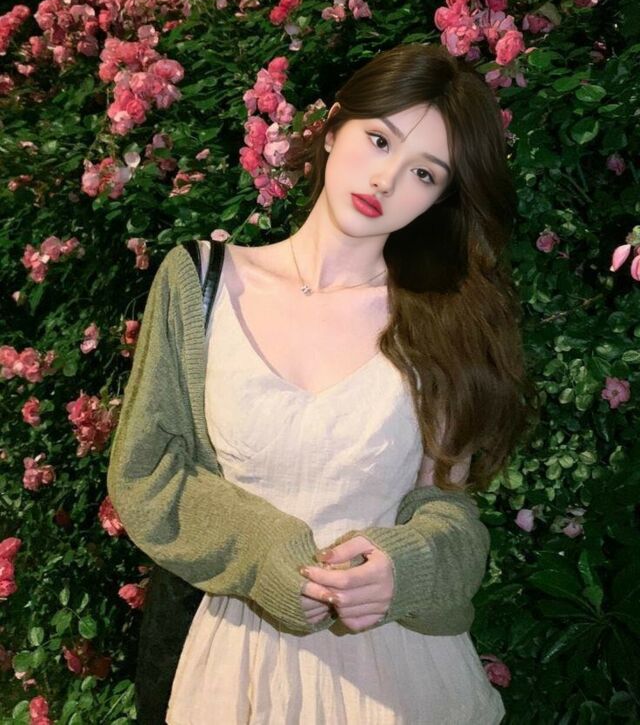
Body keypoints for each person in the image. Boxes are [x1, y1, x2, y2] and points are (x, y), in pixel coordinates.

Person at [107, 42, 538, 723]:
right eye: (379, 140)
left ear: (441, 197)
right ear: (334, 128)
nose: (387, 180)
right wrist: (265, 553)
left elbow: (450, 510)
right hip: (241, 668)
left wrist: (407, 565)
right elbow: (150, 471)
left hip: (402, 676)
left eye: (424, 172)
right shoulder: (202, 282)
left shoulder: (442, 318)